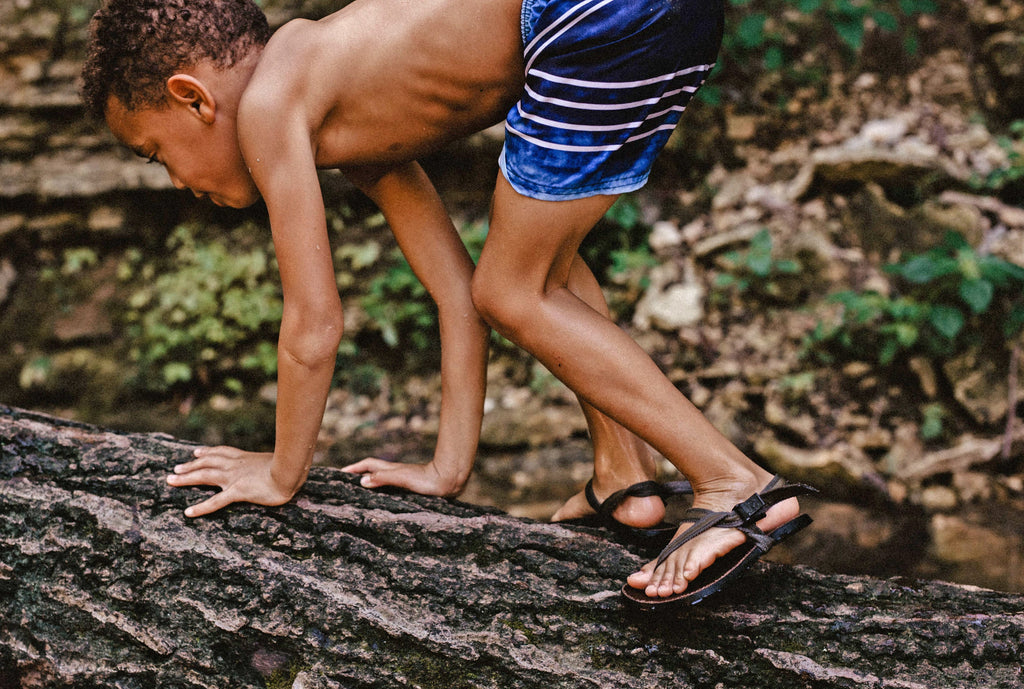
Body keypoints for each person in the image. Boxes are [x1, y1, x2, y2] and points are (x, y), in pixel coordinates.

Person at [81, 0, 813, 607]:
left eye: (155, 152)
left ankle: (735, 484)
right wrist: (447, 468)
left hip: (585, 14)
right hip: (638, 17)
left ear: (193, 97)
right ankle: (627, 477)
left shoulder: (271, 105)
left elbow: (314, 324)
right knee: (536, 269)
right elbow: (456, 294)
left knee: (518, 288)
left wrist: (280, 473)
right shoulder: (339, 104)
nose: (175, 181)